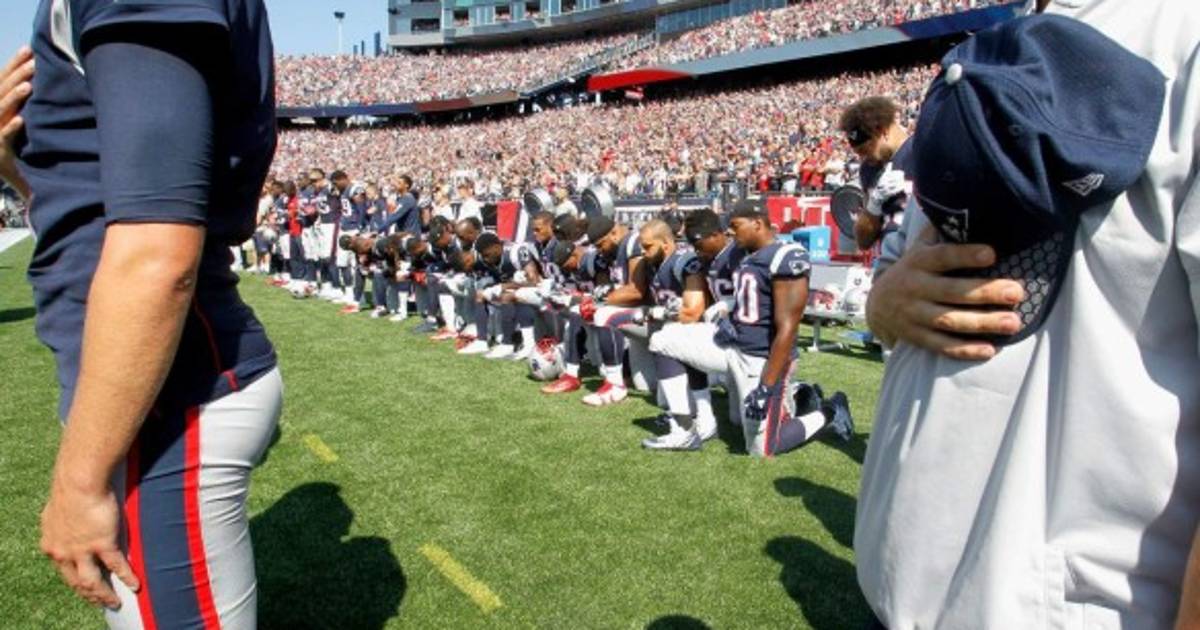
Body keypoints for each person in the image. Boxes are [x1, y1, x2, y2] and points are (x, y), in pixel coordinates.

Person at [855, 4, 1200, 629]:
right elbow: (898, 279)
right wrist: (883, 305)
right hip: (898, 583)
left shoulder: (1183, 36)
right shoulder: (984, 50)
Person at [10, 2, 281, 628]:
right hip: (155, 384)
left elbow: (157, 255)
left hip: (168, 397)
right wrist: (14, 160)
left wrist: (79, 482)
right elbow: (96, 211)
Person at [837, 96, 913, 251]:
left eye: (865, 150)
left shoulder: (922, 152)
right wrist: (874, 205)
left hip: (924, 258)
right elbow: (863, 242)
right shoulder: (869, 170)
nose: (863, 158)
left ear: (883, 132)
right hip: (889, 259)